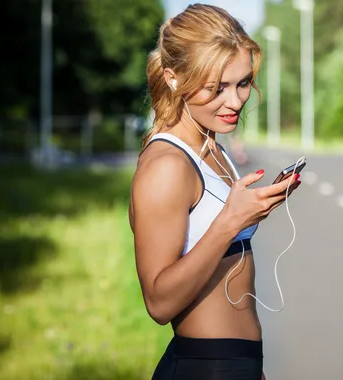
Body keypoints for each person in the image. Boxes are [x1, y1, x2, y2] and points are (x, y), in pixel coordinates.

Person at [128, 4, 302, 380]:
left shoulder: (212, 146)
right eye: (217, 88)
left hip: (238, 364)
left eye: (242, 83)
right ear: (174, 79)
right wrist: (230, 221)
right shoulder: (167, 166)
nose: (236, 101)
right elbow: (158, 303)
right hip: (203, 367)